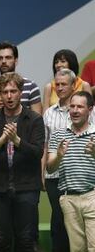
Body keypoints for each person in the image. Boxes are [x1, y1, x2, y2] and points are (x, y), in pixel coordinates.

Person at [0, 72, 45, 251]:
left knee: (26, 240)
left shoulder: (34, 119)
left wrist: (17, 141)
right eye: (5, 92)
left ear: (20, 92)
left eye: (13, 91)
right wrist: (1, 141)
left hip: (26, 188)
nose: (9, 96)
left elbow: (38, 153)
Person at [47, 91, 95, 251]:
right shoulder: (58, 135)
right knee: (77, 249)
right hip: (68, 198)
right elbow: (50, 167)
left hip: (92, 195)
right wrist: (59, 156)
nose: (74, 110)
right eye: (72, 106)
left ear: (90, 109)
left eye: (80, 107)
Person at [42, 69, 75, 252]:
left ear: (73, 85)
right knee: (58, 218)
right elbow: (44, 146)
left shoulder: (84, 109)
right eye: (57, 84)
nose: (60, 88)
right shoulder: (48, 114)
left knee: (76, 218)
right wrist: (42, 174)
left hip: (78, 173)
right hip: (54, 174)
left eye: (64, 84)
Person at [0, 42, 42, 116]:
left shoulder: (31, 86)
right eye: (0, 58)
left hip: (25, 127)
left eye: (8, 57)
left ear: (16, 61)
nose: (3, 61)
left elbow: (37, 121)